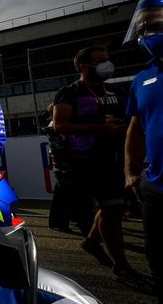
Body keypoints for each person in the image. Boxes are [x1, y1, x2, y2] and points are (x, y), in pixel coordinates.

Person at [52, 45, 147, 289]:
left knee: (113, 206)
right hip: (90, 160)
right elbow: (60, 125)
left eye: (107, 59)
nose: (107, 64)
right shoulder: (69, 93)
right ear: (84, 66)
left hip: (120, 157)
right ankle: (121, 266)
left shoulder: (117, 89)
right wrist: (99, 129)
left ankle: (92, 241)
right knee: (112, 208)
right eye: (100, 60)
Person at [124, 0, 163, 304]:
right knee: (159, 264)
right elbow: (136, 127)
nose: (149, 32)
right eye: (143, 26)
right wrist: (132, 171)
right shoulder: (142, 78)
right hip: (156, 188)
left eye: (156, 24)